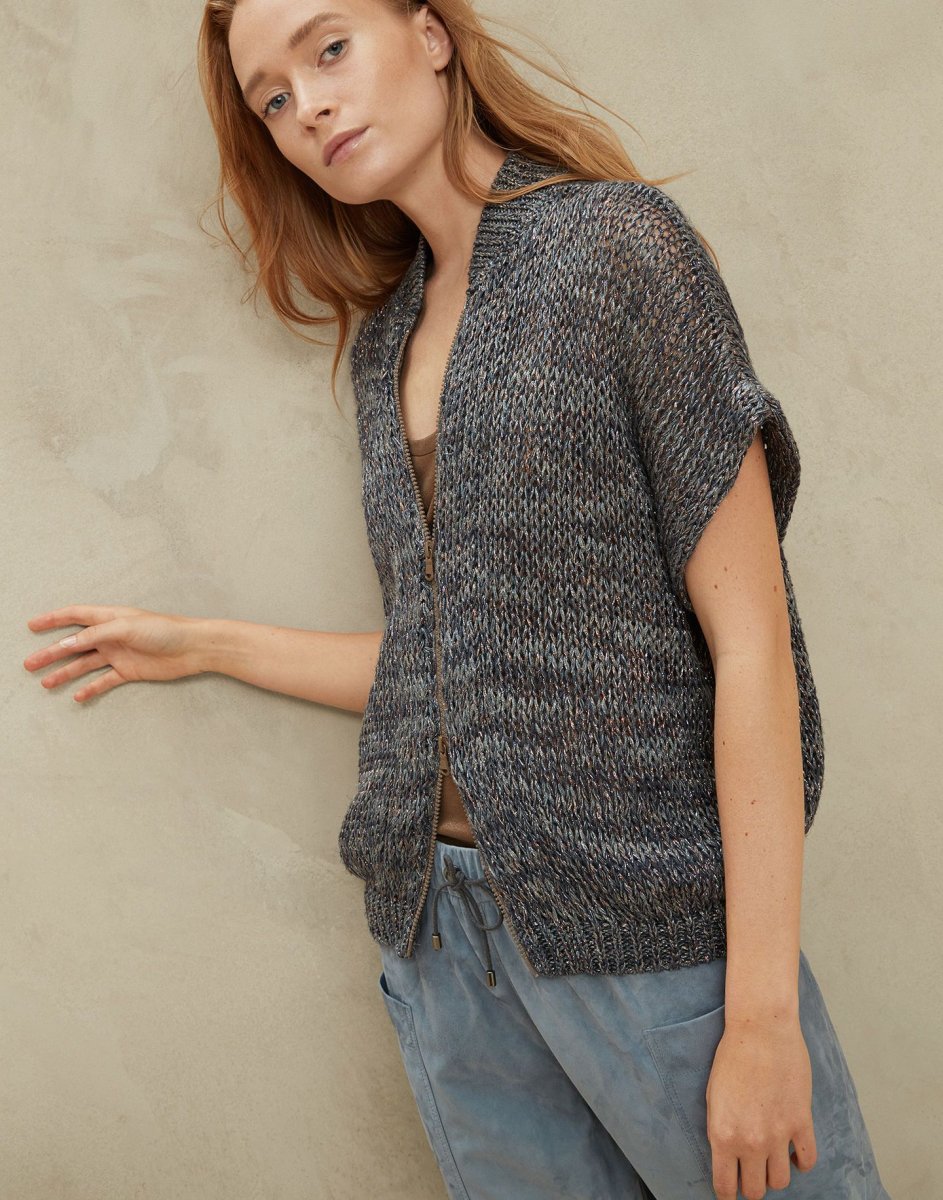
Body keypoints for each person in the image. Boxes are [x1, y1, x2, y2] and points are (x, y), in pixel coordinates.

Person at [22, 1, 892, 1197]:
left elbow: (750, 647)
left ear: (431, 33)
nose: (307, 107)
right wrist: (207, 643)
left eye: (329, 48)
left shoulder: (617, 249)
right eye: (272, 98)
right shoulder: (390, 345)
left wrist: (759, 1017)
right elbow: (454, 668)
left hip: (646, 937)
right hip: (447, 946)